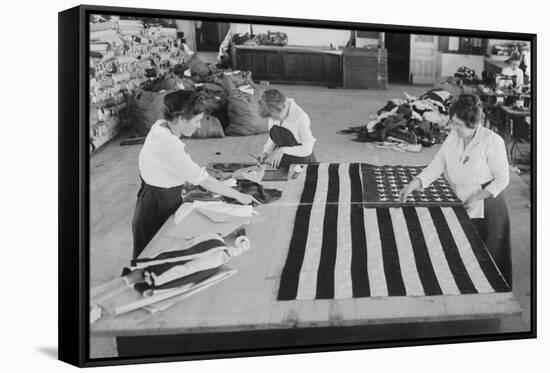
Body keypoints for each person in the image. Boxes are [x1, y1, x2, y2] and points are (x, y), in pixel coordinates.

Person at [399, 94, 512, 286]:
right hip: (461, 199)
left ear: (473, 123)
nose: (453, 128)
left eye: (458, 124)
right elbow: (438, 163)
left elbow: (503, 178)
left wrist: (477, 197)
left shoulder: (492, 141)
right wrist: (416, 183)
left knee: (488, 256)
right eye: (452, 123)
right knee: (462, 251)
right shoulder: (453, 136)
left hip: (487, 204)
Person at [132, 90, 260, 259]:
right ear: (179, 119)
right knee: (154, 256)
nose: (199, 126)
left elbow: (171, 168)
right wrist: (240, 196)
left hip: (156, 196)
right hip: (158, 206)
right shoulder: (168, 144)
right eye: (196, 121)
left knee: (161, 255)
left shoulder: (161, 125)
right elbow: (204, 180)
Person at [256, 89, 317, 169]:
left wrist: (283, 150)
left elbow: (307, 148)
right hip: (283, 161)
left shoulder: (300, 117)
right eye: (270, 118)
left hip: (302, 164)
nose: (273, 120)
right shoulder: (272, 110)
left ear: (283, 107)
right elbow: (275, 137)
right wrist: (266, 152)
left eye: (275, 117)